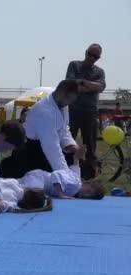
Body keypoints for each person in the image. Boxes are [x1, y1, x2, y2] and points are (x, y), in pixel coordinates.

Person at [0, 80, 79, 179]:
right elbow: (51, 148)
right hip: (29, 151)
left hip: (45, 147)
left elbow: (64, 129)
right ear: (62, 93)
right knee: (35, 181)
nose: (70, 103)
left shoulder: (63, 104)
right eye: (70, 99)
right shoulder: (44, 111)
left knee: (75, 160)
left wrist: (71, 145)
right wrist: (65, 175)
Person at [66, 43, 106, 178]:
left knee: (90, 145)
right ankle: (65, 171)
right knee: (67, 141)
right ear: (85, 52)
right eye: (90, 54)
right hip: (73, 110)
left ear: (98, 58)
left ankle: (89, 175)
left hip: (90, 112)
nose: (91, 57)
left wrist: (82, 83)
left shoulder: (100, 72)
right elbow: (70, 83)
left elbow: (100, 87)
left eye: (95, 56)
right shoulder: (74, 65)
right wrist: (91, 86)